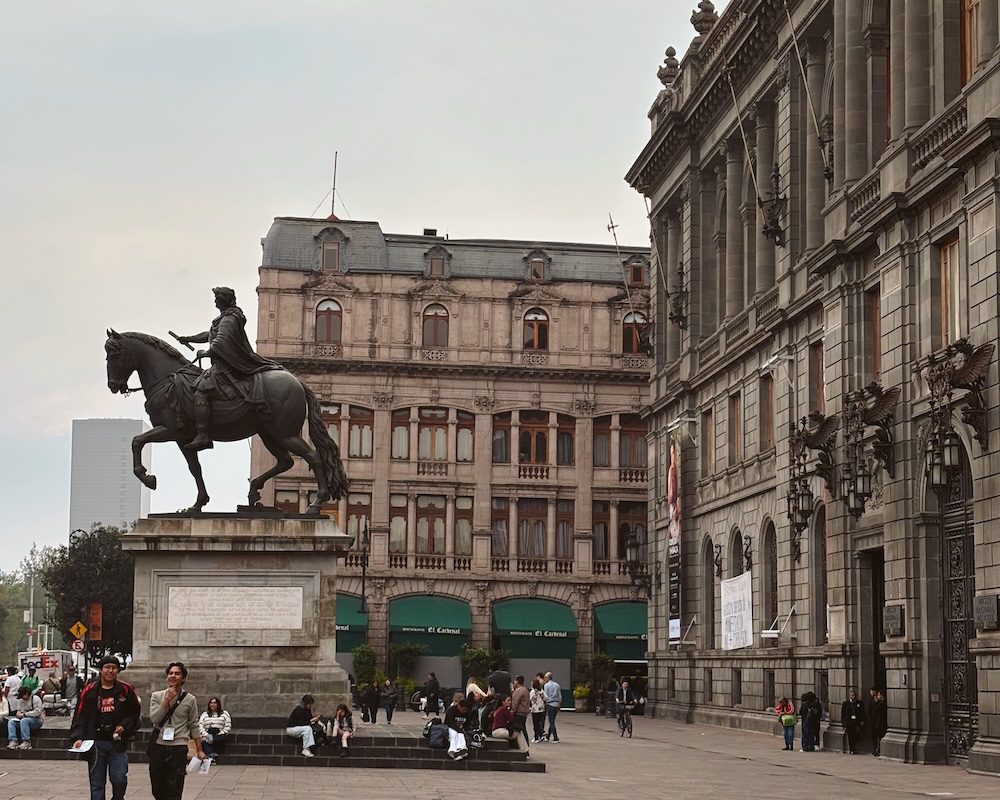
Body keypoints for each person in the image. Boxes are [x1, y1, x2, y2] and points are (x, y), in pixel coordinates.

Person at [174, 286, 282, 451]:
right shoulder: (225, 318)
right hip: (222, 363)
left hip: (227, 366)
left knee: (200, 389)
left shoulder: (230, 319)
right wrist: (188, 338)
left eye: (217, 298)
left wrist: (207, 352)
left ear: (223, 300)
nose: (215, 301)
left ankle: (203, 435)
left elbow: (221, 341)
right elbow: (209, 335)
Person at [69, 655, 141, 800]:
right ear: (101, 670)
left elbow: (134, 714)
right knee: (97, 784)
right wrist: (78, 737)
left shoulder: (126, 690)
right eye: (107, 668)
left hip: (117, 743)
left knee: (119, 779)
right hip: (95, 743)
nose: (110, 671)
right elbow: (80, 715)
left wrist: (124, 726)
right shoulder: (90, 691)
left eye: (114, 668)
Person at [148, 662, 205, 800]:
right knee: (157, 787)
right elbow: (155, 719)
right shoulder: (157, 696)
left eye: (177, 673)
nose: (173, 676)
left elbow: (194, 725)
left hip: (178, 746)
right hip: (158, 745)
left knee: (175, 787)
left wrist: (199, 749)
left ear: (183, 678)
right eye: (170, 673)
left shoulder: (190, 699)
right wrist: (166, 701)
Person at [198, 696, 232, 762]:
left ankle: (211, 753)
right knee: (205, 740)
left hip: (219, 734)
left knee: (213, 740)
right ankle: (212, 755)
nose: (212, 704)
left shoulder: (225, 714)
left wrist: (219, 734)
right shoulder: (204, 714)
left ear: (218, 704)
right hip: (208, 734)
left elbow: (228, 726)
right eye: (211, 703)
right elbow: (200, 726)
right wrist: (206, 734)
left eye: (214, 703)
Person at [841, 689, 865, 755]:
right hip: (849, 722)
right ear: (849, 696)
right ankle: (851, 749)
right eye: (851, 695)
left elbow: (862, 713)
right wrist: (843, 724)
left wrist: (862, 720)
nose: (853, 697)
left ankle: (854, 748)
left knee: (856, 735)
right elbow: (843, 714)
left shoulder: (859, 703)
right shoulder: (845, 704)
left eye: (854, 695)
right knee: (850, 736)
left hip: (856, 722)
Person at [510, 675, 531, 749]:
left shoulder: (518, 691)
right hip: (524, 713)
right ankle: (525, 747)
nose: (514, 682)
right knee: (523, 728)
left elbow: (515, 702)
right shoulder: (525, 690)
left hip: (519, 713)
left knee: (519, 729)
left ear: (517, 681)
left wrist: (513, 711)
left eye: (515, 681)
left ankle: (523, 747)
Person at [542, 671, 561, 742]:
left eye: (545, 677)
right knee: (552, 720)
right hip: (556, 704)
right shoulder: (557, 685)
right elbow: (559, 696)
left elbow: (546, 696)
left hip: (550, 704)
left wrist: (545, 702)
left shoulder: (546, 685)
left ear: (547, 678)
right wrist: (559, 703)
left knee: (551, 721)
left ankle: (556, 737)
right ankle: (548, 736)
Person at [529, 676, 546, 742]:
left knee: (535, 724)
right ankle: (540, 735)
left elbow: (529, 699)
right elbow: (546, 698)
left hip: (535, 709)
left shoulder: (533, 692)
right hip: (541, 709)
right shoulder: (541, 691)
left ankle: (536, 737)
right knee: (539, 722)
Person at [871, 689, 887, 756]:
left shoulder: (882, 703)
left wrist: (876, 702)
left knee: (879, 737)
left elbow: (876, 710)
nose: (878, 696)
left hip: (881, 723)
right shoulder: (881, 702)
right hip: (878, 723)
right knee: (878, 737)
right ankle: (878, 749)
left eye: (878, 695)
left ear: (881, 695)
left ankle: (879, 750)